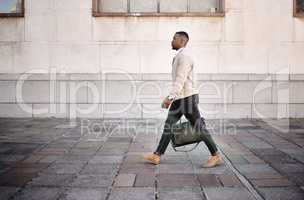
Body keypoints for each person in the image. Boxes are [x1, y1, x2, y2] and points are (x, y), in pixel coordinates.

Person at [143, 31, 222, 168]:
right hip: (181, 98)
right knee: (169, 125)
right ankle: (157, 155)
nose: (171, 41)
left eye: (174, 39)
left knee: (198, 126)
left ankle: (216, 155)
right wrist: (174, 97)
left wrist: (170, 97)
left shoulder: (184, 57)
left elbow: (180, 79)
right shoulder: (181, 56)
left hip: (187, 98)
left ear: (181, 41)